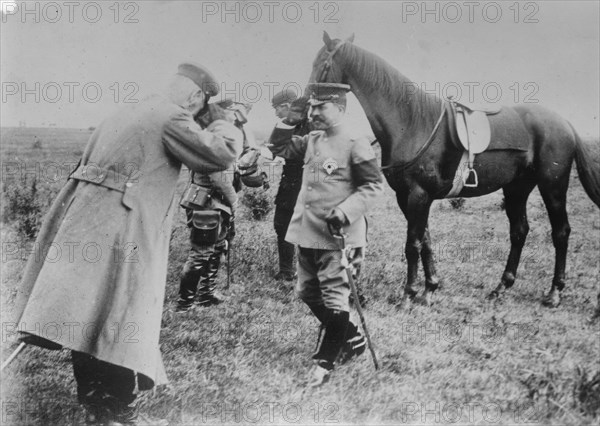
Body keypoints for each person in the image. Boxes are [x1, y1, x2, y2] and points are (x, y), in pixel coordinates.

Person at [13, 62, 243, 424]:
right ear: (196, 97)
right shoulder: (172, 117)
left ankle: (96, 401)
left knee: (86, 310)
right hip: (122, 226)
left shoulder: (129, 108)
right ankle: (118, 408)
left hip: (82, 220)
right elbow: (222, 153)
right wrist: (225, 120)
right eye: (199, 107)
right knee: (122, 310)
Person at [268, 82, 384, 386]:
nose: (314, 112)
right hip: (308, 232)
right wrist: (288, 119)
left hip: (338, 237)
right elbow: (279, 147)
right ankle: (352, 337)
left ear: (341, 108)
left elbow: (372, 186)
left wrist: (345, 212)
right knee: (308, 294)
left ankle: (324, 364)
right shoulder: (312, 139)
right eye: (312, 106)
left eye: (322, 107)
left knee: (335, 300)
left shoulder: (355, 141)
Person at [176, 100, 250, 311]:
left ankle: (206, 294)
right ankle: (185, 302)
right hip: (206, 203)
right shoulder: (212, 138)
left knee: (217, 248)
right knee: (201, 252)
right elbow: (218, 177)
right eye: (230, 114)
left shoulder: (224, 136)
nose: (234, 118)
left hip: (218, 204)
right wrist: (234, 200)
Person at [269, 89, 310, 281]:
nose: (276, 113)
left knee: (308, 228)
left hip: (309, 185)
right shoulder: (285, 125)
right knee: (281, 224)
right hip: (289, 185)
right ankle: (286, 270)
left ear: (286, 106)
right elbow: (274, 148)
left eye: (277, 109)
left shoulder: (311, 126)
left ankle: (308, 271)